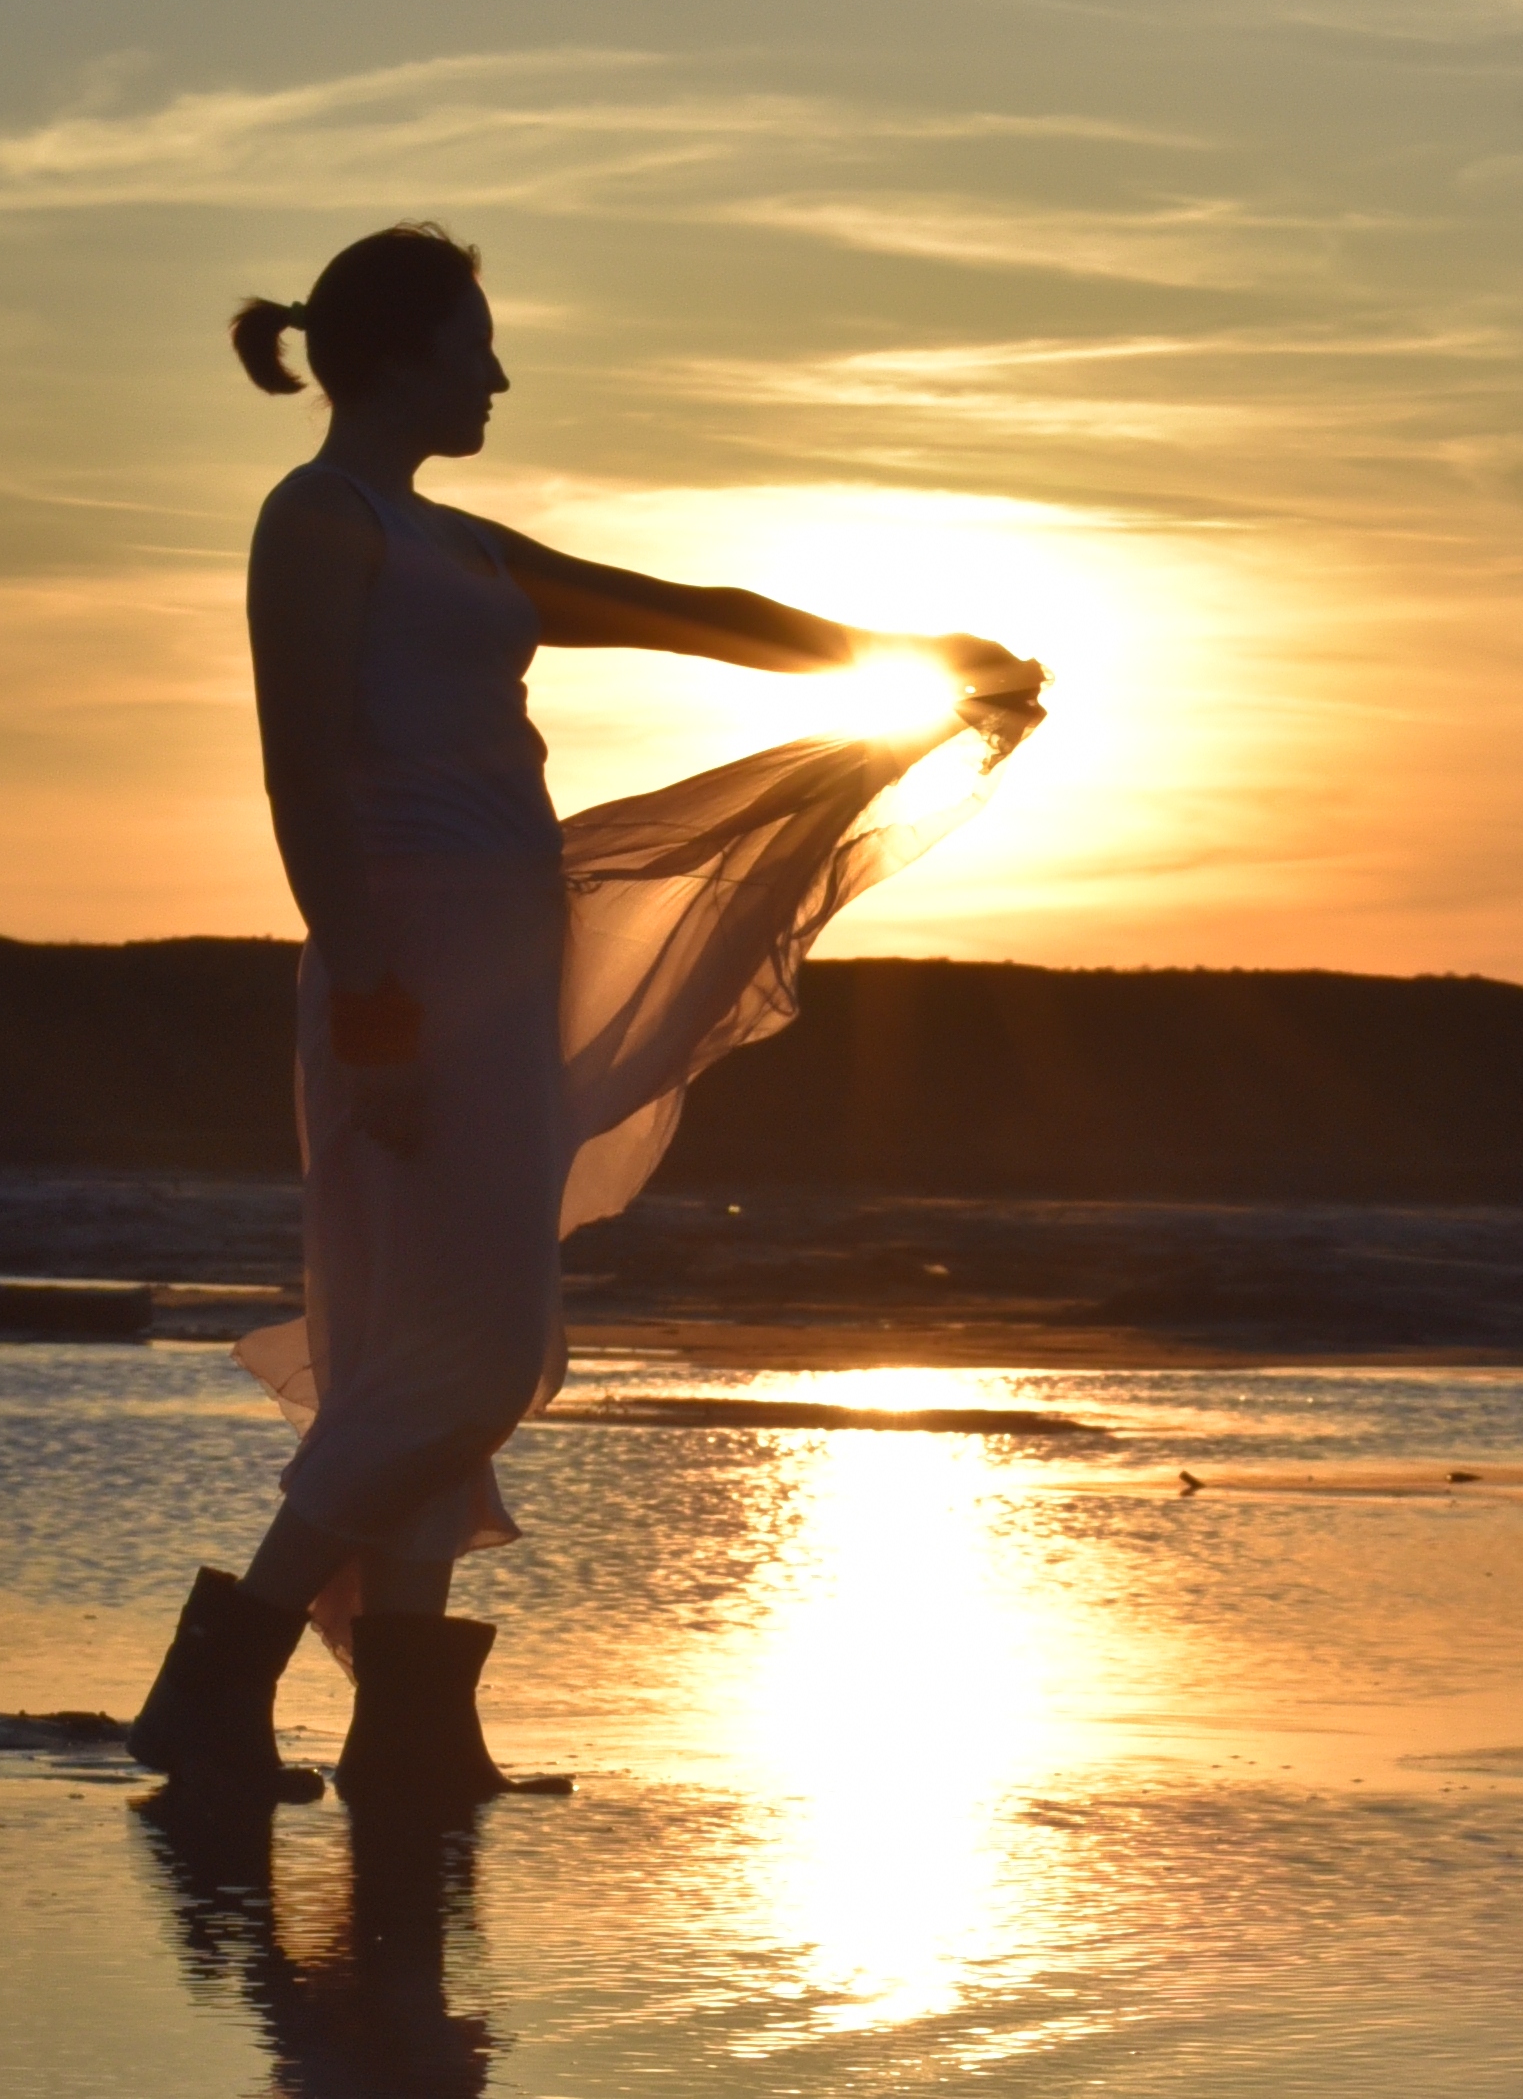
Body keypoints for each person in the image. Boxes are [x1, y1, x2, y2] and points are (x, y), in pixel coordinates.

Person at [128, 223, 1044, 1813]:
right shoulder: (319, 519)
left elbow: (694, 606)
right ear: (404, 349)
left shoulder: (465, 546)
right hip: (400, 962)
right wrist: (371, 1000)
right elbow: (300, 776)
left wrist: (908, 659)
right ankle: (220, 1678)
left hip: (503, 955)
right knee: (475, 1355)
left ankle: (406, 1735)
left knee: (455, 1332)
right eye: (475, 339)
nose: (496, 369)